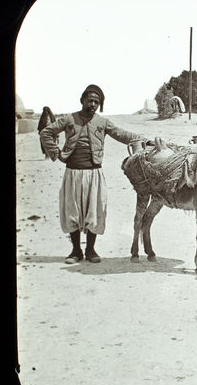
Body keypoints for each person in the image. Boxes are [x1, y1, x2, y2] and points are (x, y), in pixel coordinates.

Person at [40, 84, 146, 264]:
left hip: (94, 174)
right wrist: (56, 153)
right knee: (72, 211)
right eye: (90, 100)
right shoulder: (68, 119)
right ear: (82, 100)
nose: (93, 104)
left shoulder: (102, 122)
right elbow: (46, 132)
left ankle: (90, 251)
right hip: (73, 174)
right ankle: (75, 251)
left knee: (95, 211)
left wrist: (143, 139)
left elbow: (121, 134)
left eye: (97, 102)